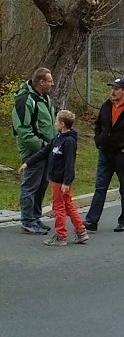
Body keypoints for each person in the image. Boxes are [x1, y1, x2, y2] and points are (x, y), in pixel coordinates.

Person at [84, 78, 124, 232]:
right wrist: (98, 141)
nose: (113, 91)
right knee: (100, 187)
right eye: (112, 88)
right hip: (105, 152)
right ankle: (92, 220)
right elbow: (98, 125)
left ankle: (123, 220)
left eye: (117, 88)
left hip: (122, 154)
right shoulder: (106, 106)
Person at [20, 110, 88, 246]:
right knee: (68, 205)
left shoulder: (68, 141)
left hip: (61, 180)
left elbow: (69, 163)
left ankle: (61, 236)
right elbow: (44, 152)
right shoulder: (57, 138)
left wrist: (66, 182)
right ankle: (81, 231)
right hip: (58, 179)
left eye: (56, 121)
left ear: (62, 124)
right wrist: (28, 163)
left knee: (59, 207)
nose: (54, 123)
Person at [13, 67, 56, 235]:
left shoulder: (44, 98)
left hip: (47, 149)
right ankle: (27, 221)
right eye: (49, 81)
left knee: (42, 184)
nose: (52, 84)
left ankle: (35, 217)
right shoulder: (26, 99)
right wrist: (42, 146)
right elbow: (24, 130)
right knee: (30, 185)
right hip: (34, 151)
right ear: (41, 82)